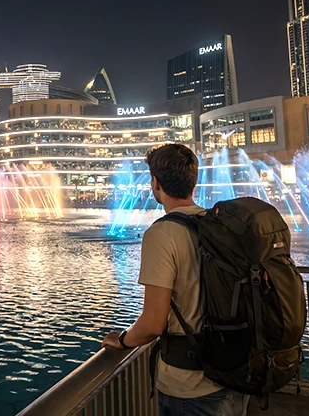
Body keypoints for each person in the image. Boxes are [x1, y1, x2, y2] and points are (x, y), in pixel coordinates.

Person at [101, 144, 249, 416]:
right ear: (193, 181)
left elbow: (153, 323)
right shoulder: (217, 225)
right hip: (233, 371)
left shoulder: (162, 234)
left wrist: (122, 341)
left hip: (190, 386)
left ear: (155, 183)